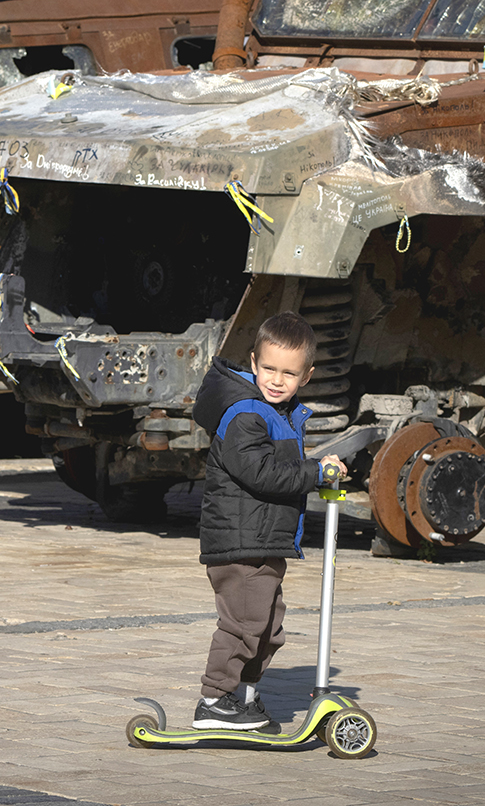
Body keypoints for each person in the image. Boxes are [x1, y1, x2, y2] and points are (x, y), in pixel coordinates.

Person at [188, 311, 346, 730]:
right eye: (269, 369)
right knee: (243, 625)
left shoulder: (280, 414)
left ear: (306, 376)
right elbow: (261, 474)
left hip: (264, 541)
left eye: (289, 374)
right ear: (254, 363)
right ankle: (214, 700)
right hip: (240, 544)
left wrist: (318, 468)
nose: (277, 380)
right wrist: (315, 473)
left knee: (268, 627)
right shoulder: (246, 415)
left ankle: (244, 698)